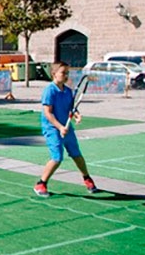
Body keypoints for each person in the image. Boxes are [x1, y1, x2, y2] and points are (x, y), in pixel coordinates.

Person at [33, 61, 98, 198]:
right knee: (57, 157)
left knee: (76, 154)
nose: (66, 75)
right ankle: (41, 183)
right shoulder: (49, 90)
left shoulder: (68, 91)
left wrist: (77, 115)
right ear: (54, 74)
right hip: (52, 128)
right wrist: (59, 127)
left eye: (67, 73)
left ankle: (87, 179)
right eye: (63, 73)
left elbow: (71, 109)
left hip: (66, 128)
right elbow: (48, 113)